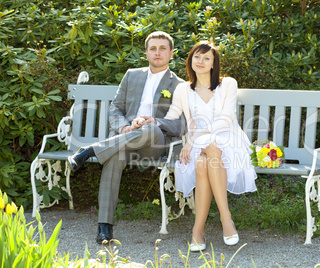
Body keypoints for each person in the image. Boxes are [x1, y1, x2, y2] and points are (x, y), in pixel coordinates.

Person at [67, 31, 185, 244]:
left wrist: (154, 121)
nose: (157, 52)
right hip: (127, 138)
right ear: (146, 53)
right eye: (153, 48)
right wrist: (124, 128)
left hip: (154, 143)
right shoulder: (132, 75)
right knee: (113, 157)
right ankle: (105, 227)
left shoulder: (180, 85)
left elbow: (180, 124)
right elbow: (115, 109)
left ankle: (91, 150)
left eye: (162, 48)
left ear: (171, 53)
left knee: (149, 129)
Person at [145, 41, 257, 251]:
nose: (201, 61)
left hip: (228, 139)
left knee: (211, 151)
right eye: (197, 57)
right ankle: (222, 221)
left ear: (214, 63)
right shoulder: (183, 89)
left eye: (207, 58)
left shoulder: (228, 84)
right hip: (197, 144)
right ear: (191, 61)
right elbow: (172, 116)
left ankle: (203, 228)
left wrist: (193, 140)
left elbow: (226, 119)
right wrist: (154, 122)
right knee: (202, 162)